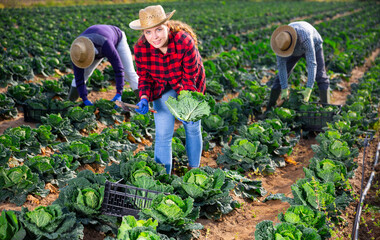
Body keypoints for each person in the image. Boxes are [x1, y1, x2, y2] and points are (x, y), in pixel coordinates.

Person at [129, 5, 206, 174]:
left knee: (192, 126)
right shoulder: (141, 49)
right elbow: (145, 77)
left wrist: (186, 105)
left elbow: (190, 77)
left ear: (167, 26)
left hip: (188, 84)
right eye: (148, 32)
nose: (153, 37)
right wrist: (143, 97)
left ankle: (194, 169)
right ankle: (164, 176)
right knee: (163, 133)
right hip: (161, 86)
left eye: (158, 30)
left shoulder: (184, 41)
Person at [266, 21, 330, 111]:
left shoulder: (305, 37)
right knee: (279, 79)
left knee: (320, 76)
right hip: (293, 49)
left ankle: (326, 109)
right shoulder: (280, 43)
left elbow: (312, 63)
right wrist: (284, 88)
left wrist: (308, 89)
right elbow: (281, 67)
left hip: (314, 46)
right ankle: (269, 110)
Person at [69, 24, 139, 106]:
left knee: (129, 72)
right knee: (84, 74)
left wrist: (119, 93)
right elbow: (79, 77)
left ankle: (145, 102)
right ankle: (71, 102)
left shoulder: (106, 45)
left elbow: (119, 69)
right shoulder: (77, 51)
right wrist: (84, 99)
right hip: (95, 41)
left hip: (116, 37)